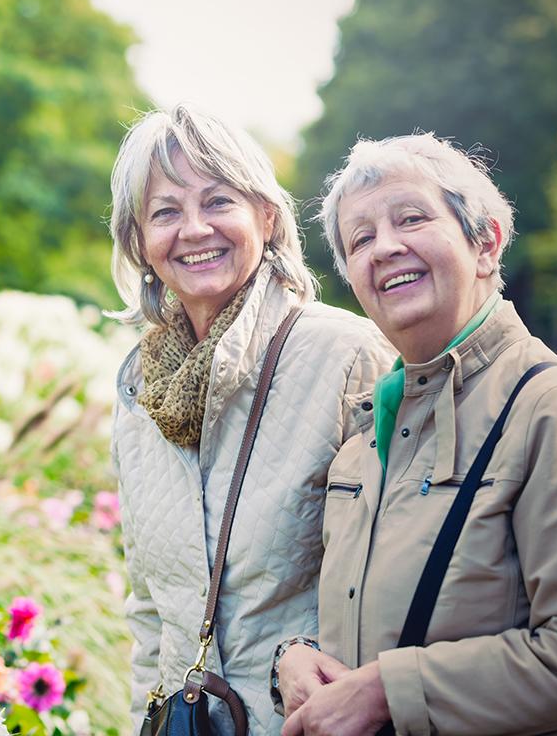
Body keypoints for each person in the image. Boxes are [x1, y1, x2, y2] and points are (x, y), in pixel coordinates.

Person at [108, 104, 394, 735]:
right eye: (165, 212)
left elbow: (404, 572)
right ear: (139, 241)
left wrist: (297, 660)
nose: (193, 229)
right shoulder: (137, 388)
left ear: (266, 216)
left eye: (217, 201)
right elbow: (151, 613)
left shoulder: (350, 356)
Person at [275, 133, 557, 735]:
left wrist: (389, 691)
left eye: (411, 218)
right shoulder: (363, 440)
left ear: (485, 242)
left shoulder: (547, 409)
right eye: (360, 239)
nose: (384, 247)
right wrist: (297, 655)